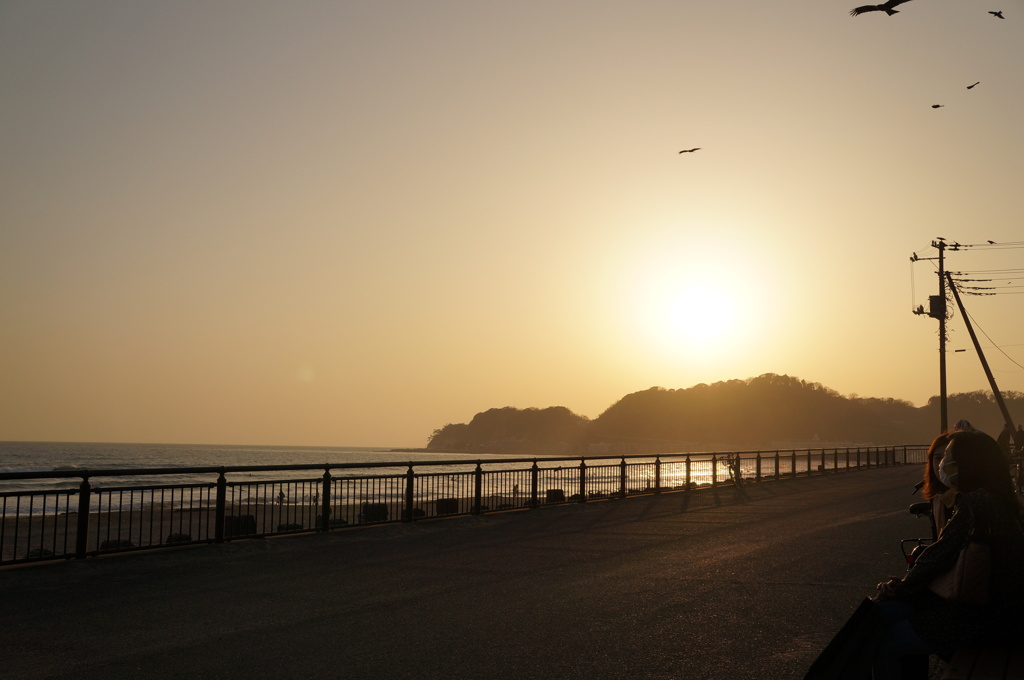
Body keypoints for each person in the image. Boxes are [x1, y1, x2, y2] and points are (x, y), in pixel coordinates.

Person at [857, 430, 1024, 679]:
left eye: (949, 457)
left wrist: (901, 588)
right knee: (888, 615)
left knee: (889, 640)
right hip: (1002, 614)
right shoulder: (998, 500)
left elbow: (940, 554)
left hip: (985, 620)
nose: (943, 464)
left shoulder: (976, 503)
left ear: (969, 462)